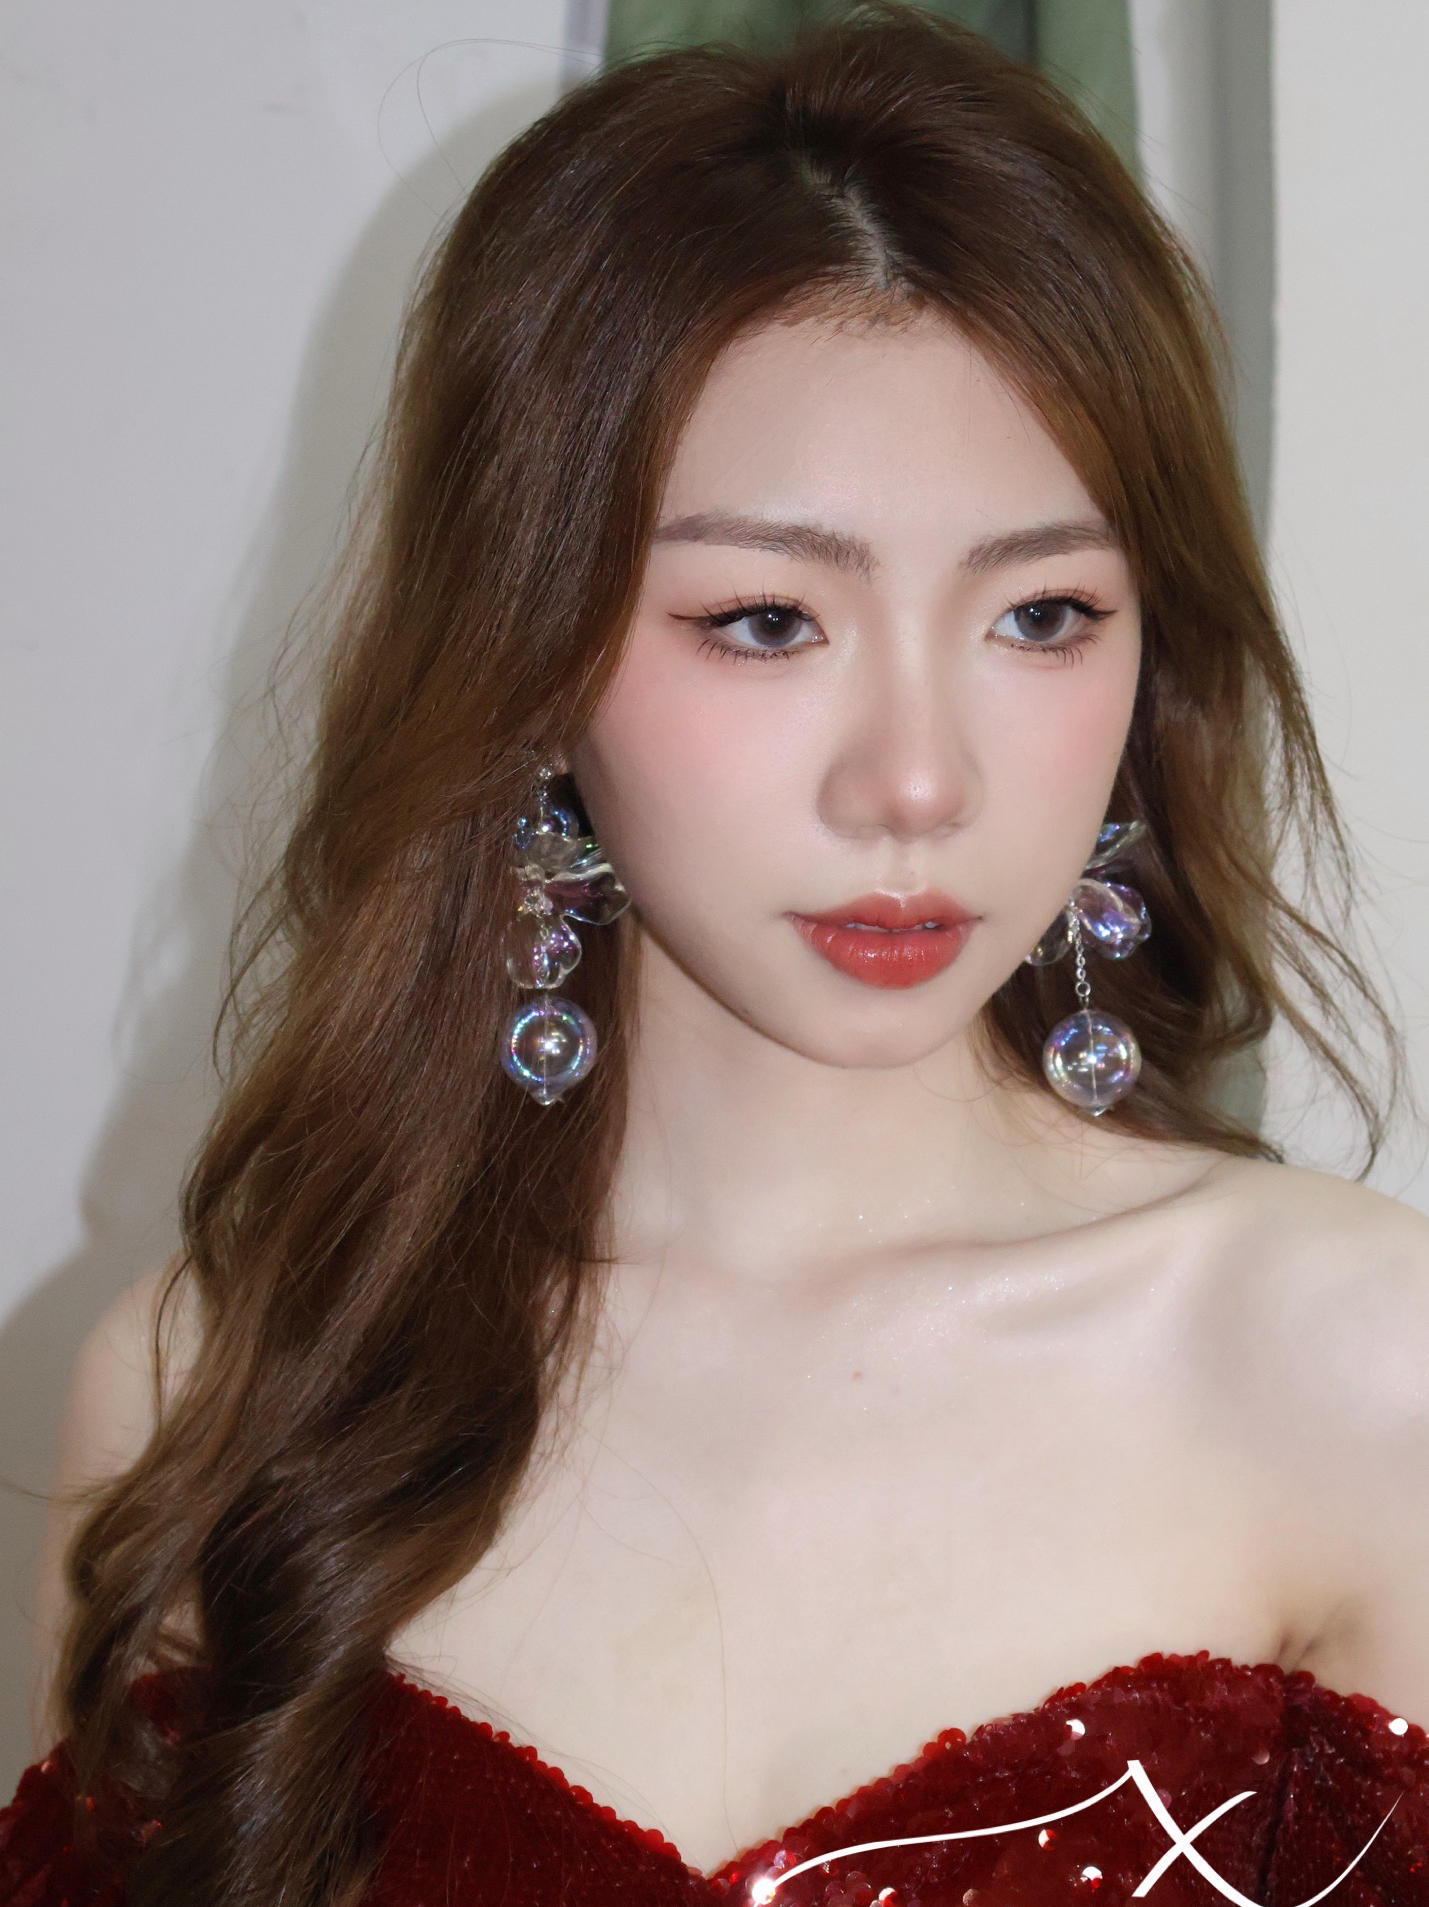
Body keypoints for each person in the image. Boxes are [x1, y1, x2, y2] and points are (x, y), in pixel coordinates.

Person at [5, 6, 1429, 1904]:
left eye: (1041, 614)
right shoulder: (219, 1390)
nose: (916, 780)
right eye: (765, 619)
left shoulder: (1360, 1375)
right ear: (528, 650)